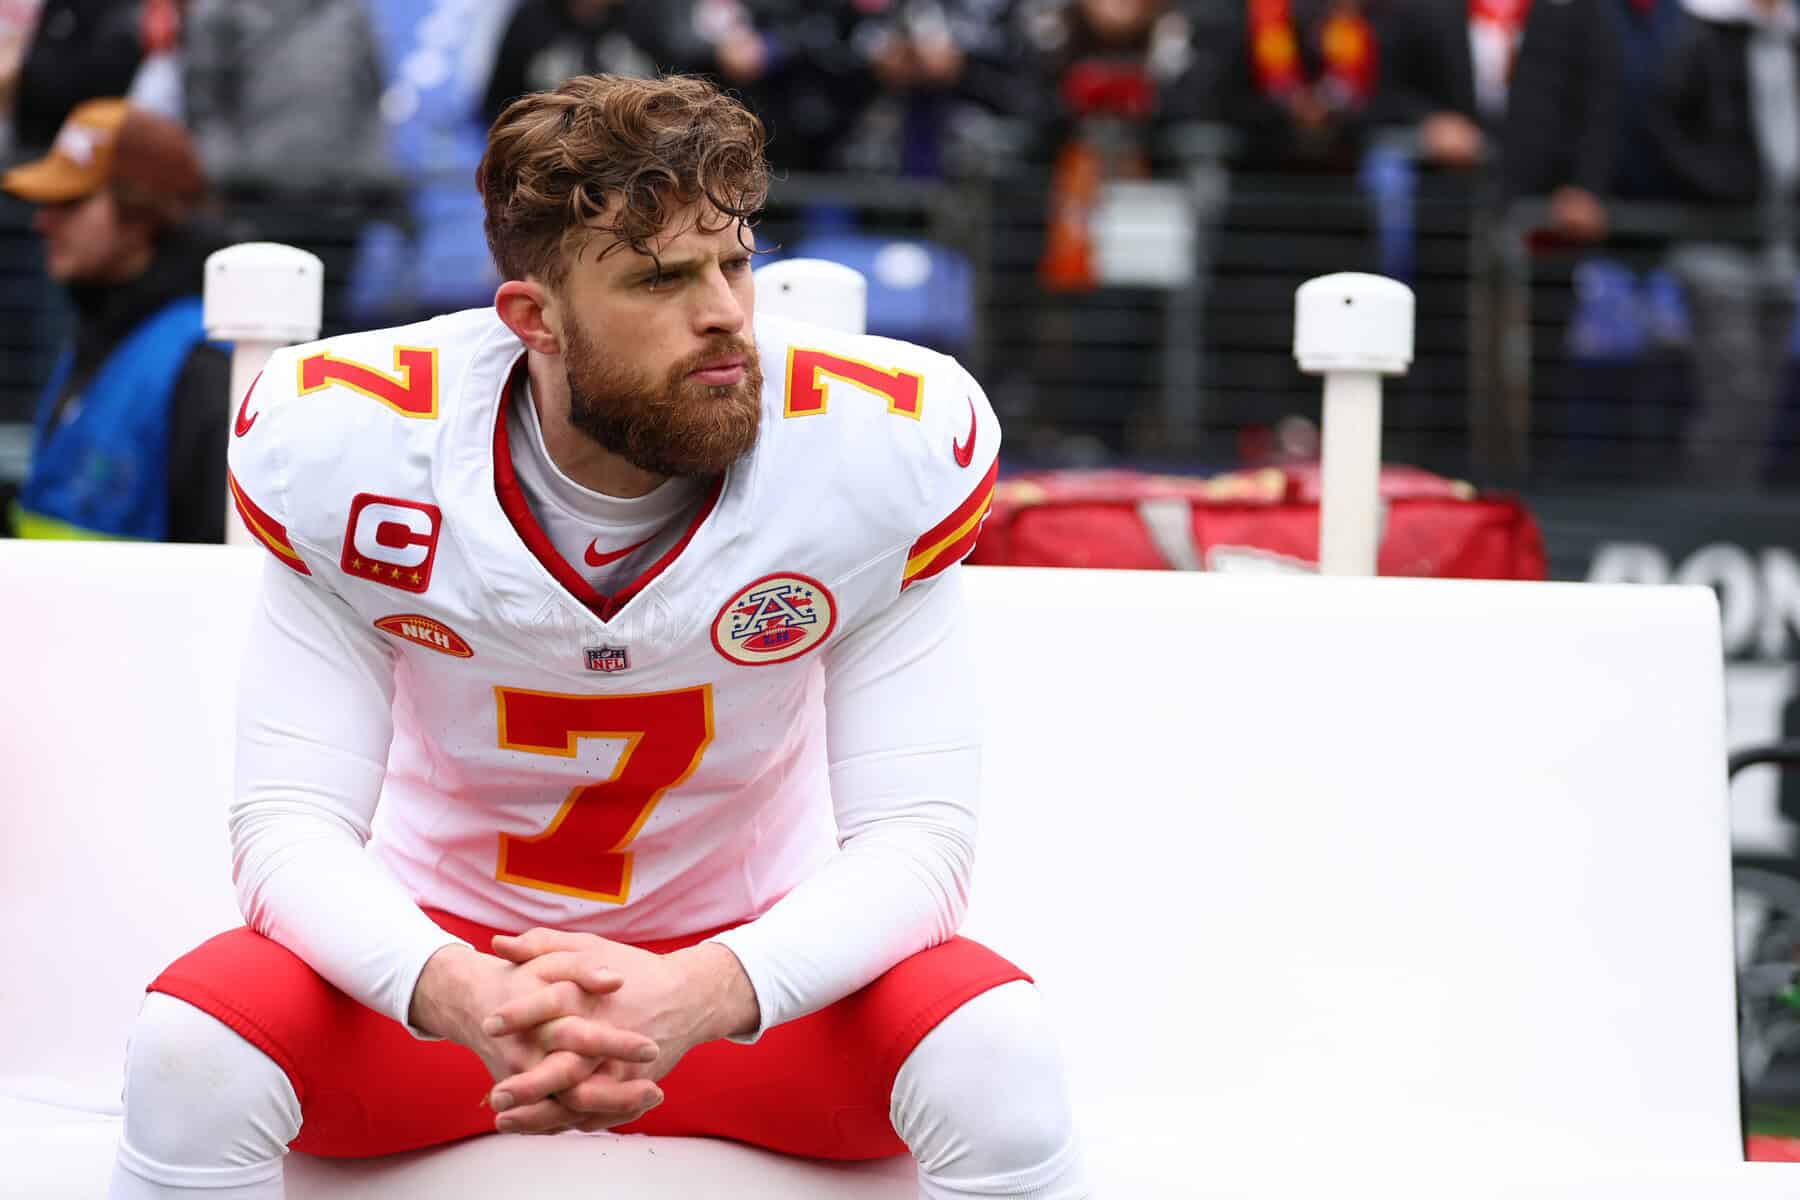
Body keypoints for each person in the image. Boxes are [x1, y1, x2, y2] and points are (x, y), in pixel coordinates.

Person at [107, 73, 1089, 1200]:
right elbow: (287, 824)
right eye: (659, 278)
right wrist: (450, 986)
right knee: (190, 1052)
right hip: (458, 984)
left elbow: (919, 842)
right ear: (533, 319)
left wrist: (711, 988)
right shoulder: (359, 447)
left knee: (999, 1059)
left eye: (733, 261)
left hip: (753, 976)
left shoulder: (871, 451)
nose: (723, 310)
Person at [2, 96, 226, 541]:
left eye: (71, 202)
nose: (44, 222)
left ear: (142, 211)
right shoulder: (106, 333)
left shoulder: (203, 366)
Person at [1649, 0, 1800, 487]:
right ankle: (1706, 515)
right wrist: (1724, 187)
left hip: (1780, 249)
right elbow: (1662, 128)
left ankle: (1734, 511)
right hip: (1714, 245)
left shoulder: (1790, 38)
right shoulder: (1696, 34)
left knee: (1762, 400)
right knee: (1733, 391)